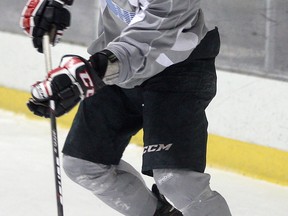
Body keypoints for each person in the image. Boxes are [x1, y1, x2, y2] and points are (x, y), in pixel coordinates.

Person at [20, 0, 232, 215]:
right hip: (116, 55)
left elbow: (143, 46)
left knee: (178, 182)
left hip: (178, 65)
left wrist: (92, 72)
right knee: (83, 164)